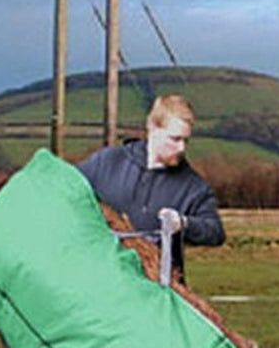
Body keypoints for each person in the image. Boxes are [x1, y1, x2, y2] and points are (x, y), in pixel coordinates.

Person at [77, 94, 224, 282]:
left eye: (185, 140)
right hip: (102, 281)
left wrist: (184, 223)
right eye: (175, 139)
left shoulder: (193, 186)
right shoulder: (107, 162)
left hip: (158, 288)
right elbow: (65, 188)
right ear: (153, 128)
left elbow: (215, 232)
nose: (181, 148)